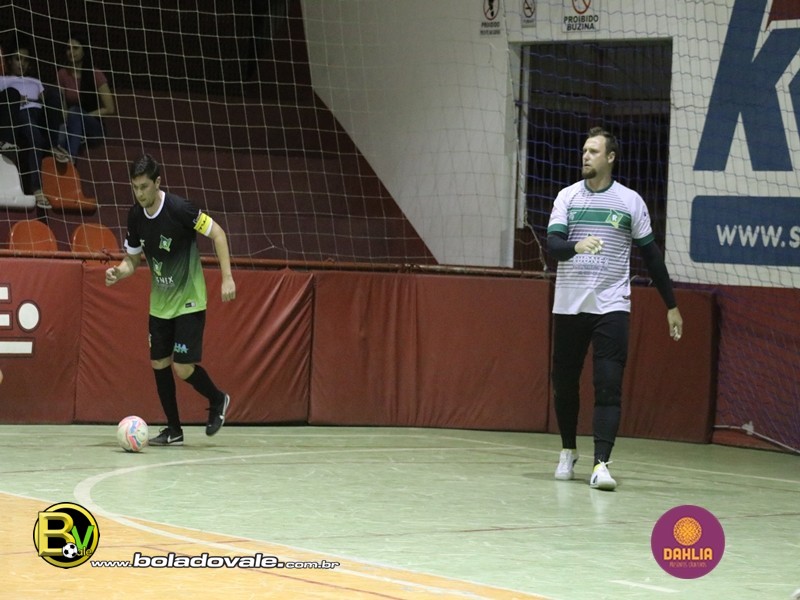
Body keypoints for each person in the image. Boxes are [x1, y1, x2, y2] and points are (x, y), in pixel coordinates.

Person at [546, 127, 683, 491]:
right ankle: (568, 449)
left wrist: (671, 305)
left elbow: (652, 257)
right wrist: (576, 246)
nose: (585, 156)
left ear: (610, 157)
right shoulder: (567, 197)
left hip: (611, 306)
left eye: (593, 151)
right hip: (569, 306)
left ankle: (601, 464)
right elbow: (553, 244)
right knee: (564, 383)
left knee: (608, 386)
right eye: (584, 150)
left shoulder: (630, 202)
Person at [104, 153, 236, 445]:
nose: (140, 193)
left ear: (157, 182)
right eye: (135, 187)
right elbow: (132, 260)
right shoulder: (135, 216)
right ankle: (174, 431)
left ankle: (218, 399)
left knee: (182, 367)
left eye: (144, 187)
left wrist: (227, 277)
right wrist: (119, 272)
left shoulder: (180, 209)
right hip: (160, 304)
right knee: (159, 364)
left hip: (189, 300)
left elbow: (218, 234)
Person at [0, 39, 68, 208]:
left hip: (37, 113)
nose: (21, 63)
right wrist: (17, 98)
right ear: (10, 61)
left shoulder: (35, 81)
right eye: (17, 59)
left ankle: (52, 144)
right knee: (32, 130)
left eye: (25, 60)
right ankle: (37, 189)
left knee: (54, 96)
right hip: (19, 114)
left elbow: (47, 102)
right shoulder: (3, 80)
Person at [55, 36, 115, 161]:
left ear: (84, 51)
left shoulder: (95, 74)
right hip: (70, 123)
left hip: (93, 128)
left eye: (75, 48)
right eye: (68, 48)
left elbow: (110, 108)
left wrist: (81, 116)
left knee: (75, 112)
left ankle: (70, 157)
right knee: (61, 133)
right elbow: (62, 106)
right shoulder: (62, 74)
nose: (71, 52)